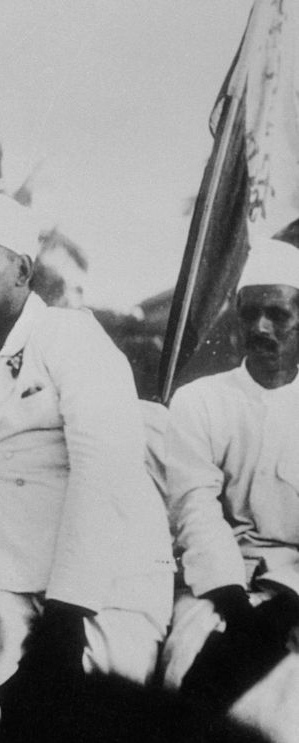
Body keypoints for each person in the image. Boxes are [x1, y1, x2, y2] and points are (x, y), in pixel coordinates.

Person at [0, 190, 175, 717]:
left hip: (107, 585)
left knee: (77, 714)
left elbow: (104, 475)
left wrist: (67, 617)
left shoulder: (72, 337)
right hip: (6, 578)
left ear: (22, 270)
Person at [161, 238, 299, 710]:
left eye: (278, 315)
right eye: (249, 313)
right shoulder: (199, 401)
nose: (260, 327)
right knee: (190, 675)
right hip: (216, 590)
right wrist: (237, 610)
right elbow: (193, 509)